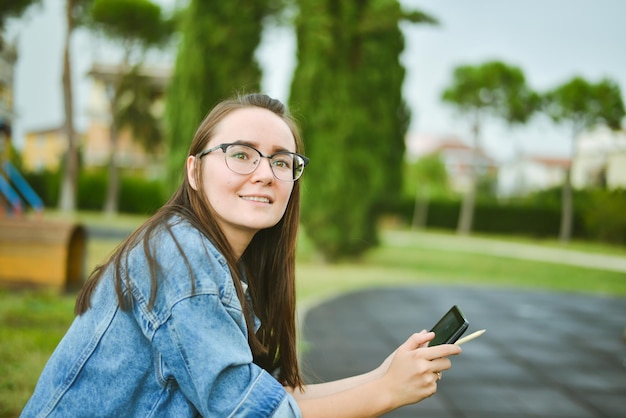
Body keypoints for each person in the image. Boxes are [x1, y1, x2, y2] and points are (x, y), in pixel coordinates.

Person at [21, 93, 461, 417]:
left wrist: (382, 375)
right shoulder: (181, 255)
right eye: (241, 155)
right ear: (194, 170)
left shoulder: (221, 261)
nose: (265, 174)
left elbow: (265, 395)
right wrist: (386, 394)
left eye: (282, 161)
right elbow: (248, 413)